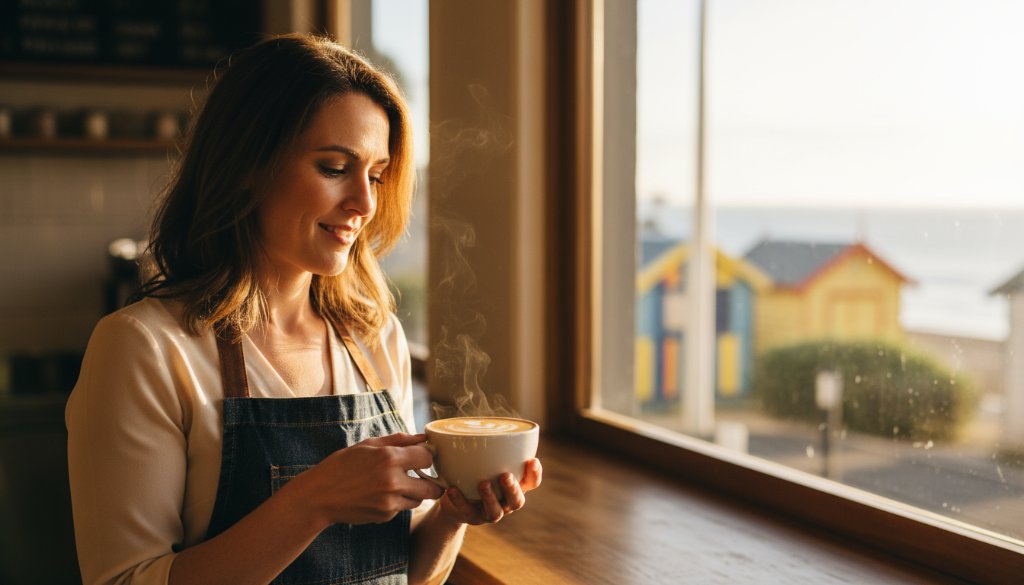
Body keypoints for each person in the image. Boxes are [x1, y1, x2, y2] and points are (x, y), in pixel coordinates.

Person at [65, 33, 542, 585]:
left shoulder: (372, 336)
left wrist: (452, 516)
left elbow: (401, 573)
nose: (365, 204)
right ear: (247, 164)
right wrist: (310, 502)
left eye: (377, 175)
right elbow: (125, 580)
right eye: (335, 167)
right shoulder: (146, 347)